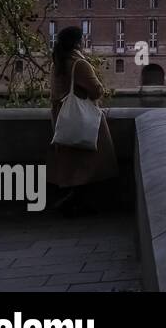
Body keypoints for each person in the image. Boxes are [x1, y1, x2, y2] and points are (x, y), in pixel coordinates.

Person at [48, 26, 117, 212]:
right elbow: (96, 90)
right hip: (81, 119)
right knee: (90, 162)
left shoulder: (57, 63)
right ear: (78, 42)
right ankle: (78, 204)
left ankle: (73, 201)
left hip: (63, 119)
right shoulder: (79, 64)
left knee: (72, 164)